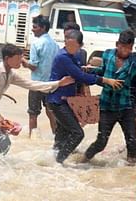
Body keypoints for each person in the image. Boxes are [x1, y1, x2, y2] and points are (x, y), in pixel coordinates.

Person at [0, 44, 74, 155]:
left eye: (21, 57)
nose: (21, 61)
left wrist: (58, 83)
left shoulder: (10, 74)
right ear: (7, 58)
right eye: (18, 58)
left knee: (5, 144)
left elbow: (31, 84)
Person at [47, 30, 124, 163]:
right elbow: (80, 76)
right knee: (78, 133)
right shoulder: (63, 57)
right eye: (67, 44)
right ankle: (60, 161)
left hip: (65, 101)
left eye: (73, 45)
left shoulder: (74, 56)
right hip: (57, 101)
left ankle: (51, 162)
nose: (69, 47)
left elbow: (80, 74)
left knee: (62, 133)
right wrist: (105, 80)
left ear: (80, 45)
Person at [82, 30, 136, 164]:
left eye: (128, 48)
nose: (125, 51)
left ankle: (130, 168)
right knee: (101, 141)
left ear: (132, 48)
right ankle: (83, 160)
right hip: (106, 105)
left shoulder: (134, 64)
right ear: (117, 44)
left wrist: (97, 79)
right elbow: (103, 71)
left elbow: (117, 84)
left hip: (125, 106)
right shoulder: (107, 54)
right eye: (122, 47)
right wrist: (90, 70)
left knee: (132, 141)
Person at [22, 15, 59, 137]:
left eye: (34, 27)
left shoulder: (36, 44)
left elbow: (33, 66)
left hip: (37, 84)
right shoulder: (55, 45)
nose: (32, 29)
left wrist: (23, 61)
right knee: (51, 111)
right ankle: (56, 136)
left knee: (33, 113)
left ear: (42, 28)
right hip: (51, 85)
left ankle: (32, 138)